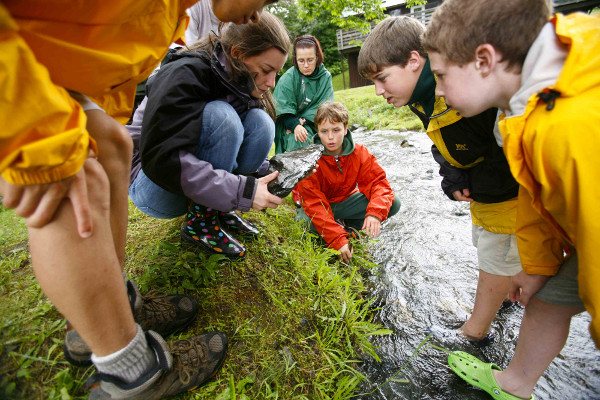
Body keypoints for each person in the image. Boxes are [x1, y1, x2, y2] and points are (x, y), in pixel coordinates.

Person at [0, 0, 279, 398]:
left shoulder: (175, 14)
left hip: (48, 67)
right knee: (71, 176)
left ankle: (108, 314)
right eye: (264, 1)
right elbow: (162, 156)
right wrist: (26, 129)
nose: (256, 14)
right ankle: (130, 373)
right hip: (17, 76)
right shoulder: (191, 63)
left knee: (110, 145)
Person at [422, 0, 599, 399]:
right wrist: (537, 264)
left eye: (441, 75)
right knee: (549, 297)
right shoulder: (522, 105)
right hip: (582, 232)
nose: (440, 91)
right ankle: (515, 383)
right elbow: (537, 196)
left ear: (484, 60)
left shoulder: (571, 127)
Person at [358, 16, 522, 347]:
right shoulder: (421, 95)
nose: (378, 91)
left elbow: (500, 144)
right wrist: (453, 172)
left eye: (382, 78)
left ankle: (475, 332)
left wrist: (478, 179)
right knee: (487, 245)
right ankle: (504, 295)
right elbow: (441, 138)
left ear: (414, 62)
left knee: (495, 251)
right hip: (482, 187)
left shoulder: (455, 85)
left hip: (507, 190)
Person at [128, 12, 290, 260]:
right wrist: (241, 191)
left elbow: (242, 146)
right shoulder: (185, 73)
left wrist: (278, 173)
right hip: (152, 183)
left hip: (186, 178)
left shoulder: (242, 79)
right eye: (266, 70)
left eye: (276, 73)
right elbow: (163, 161)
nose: (271, 82)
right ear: (237, 54)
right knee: (221, 117)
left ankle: (218, 210)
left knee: (262, 123)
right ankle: (199, 225)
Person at [296, 101, 400, 263]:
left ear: (345, 129)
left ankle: (353, 227)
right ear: (317, 132)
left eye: (336, 130)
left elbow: (379, 183)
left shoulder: (360, 152)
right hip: (321, 205)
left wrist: (374, 213)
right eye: (324, 131)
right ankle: (338, 231)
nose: (330, 137)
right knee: (303, 224)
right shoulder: (309, 159)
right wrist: (337, 240)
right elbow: (313, 202)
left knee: (393, 203)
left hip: (345, 201)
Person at [273, 34, 334, 206]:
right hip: (290, 126)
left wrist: (304, 122)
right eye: (301, 61)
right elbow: (282, 109)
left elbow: (325, 106)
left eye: (310, 59)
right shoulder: (288, 78)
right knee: (298, 139)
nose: (306, 65)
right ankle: (298, 187)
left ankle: (331, 185)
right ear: (295, 60)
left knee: (335, 138)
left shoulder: (325, 77)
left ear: (317, 57)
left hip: (316, 123)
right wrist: (295, 125)